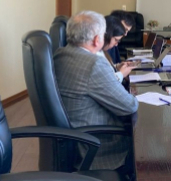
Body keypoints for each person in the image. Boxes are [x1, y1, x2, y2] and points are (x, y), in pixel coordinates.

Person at [53, 11, 138, 170]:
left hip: (74, 136)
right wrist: (133, 95)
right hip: (95, 144)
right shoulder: (94, 64)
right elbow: (129, 106)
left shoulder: (60, 54)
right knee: (144, 140)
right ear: (97, 39)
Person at [102, 15, 134, 84]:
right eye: (116, 40)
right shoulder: (96, 56)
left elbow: (105, 70)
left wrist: (117, 67)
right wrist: (121, 74)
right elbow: (106, 84)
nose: (116, 44)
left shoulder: (103, 51)